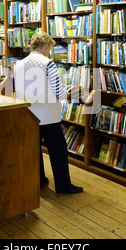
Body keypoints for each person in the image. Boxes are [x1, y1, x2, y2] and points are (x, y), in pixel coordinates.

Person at [14, 31, 83, 194]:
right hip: (48, 115)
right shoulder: (48, 63)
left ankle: (39, 179)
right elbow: (58, 92)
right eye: (49, 48)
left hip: (29, 114)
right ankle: (63, 186)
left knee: (34, 150)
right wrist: (73, 92)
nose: (49, 51)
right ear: (46, 46)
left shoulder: (20, 64)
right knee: (58, 151)